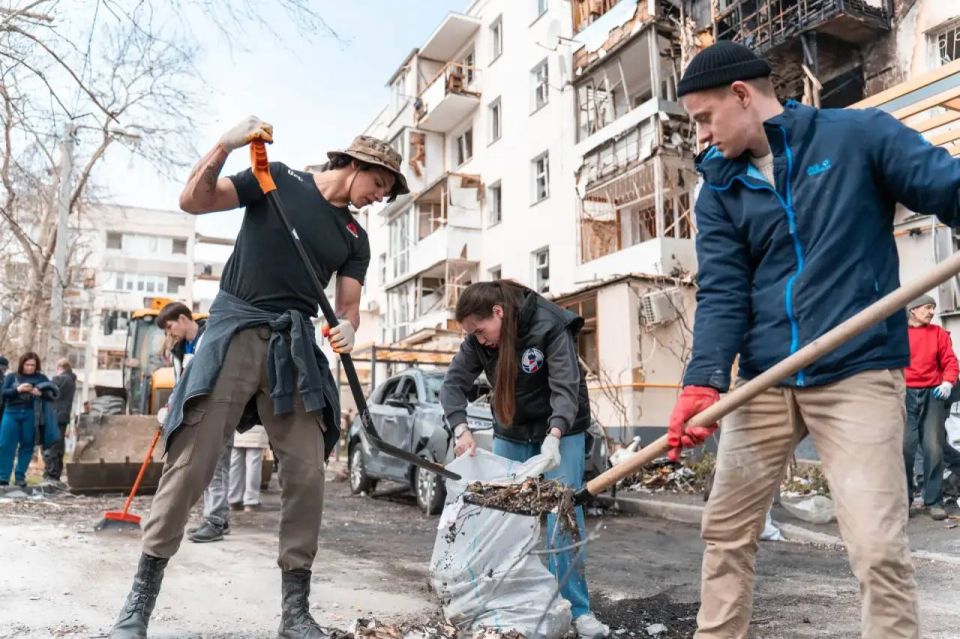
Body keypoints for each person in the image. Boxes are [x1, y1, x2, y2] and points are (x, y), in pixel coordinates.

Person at [668, 40, 960, 639]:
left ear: (743, 96)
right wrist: (701, 382)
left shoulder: (856, 137)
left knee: (878, 547)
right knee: (725, 534)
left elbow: (946, 185)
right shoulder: (719, 188)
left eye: (703, 118)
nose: (700, 135)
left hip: (856, 370)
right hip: (767, 379)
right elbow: (724, 292)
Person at [107, 117, 405, 639]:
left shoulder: (355, 236)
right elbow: (193, 201)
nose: (380, 197)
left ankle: (295, 613)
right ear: (357, 165)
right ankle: (138, 604)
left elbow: (348, 307)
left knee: (309, 472)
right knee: (192, 464)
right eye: (380, 185)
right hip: (235, 328)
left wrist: (349, 330)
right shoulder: (276, 181)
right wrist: (225, 145)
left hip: (293, 346)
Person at [440, 280, 609, 639]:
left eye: (482, 330)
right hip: (512, 430)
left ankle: (578, 610)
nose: (480, 339)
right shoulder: (478, 340)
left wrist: (554, 437)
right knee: (506, 516)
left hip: (562, 429)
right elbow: (453, 385)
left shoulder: (549, 324)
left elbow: (566, 386)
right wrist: (459, 428)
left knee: (563, 514)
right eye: (474, 334)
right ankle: (512, 605)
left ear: (499, 312)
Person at [156, 301, 230, 543]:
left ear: (183, 319)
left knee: (216, 466)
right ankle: (217, 518)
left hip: (218, 408)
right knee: (204, 466)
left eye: (170, 327)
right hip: (194, 412)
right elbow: (180, 383)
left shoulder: (211, 337)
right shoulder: (179, 350)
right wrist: (170, 407)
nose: (170, 333)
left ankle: (216, 521)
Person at [903, 294, 958, 520]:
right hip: (905, 393)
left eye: (934, 308)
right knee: (904, 448)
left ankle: (933, 500)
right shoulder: (899, 335)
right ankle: (903, 501)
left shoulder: (938, 334)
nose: (932, 312)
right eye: (927, 307)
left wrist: (947, 382)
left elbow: (950, 361)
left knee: (934, 447)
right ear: (913, 310)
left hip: (933, 393)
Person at [0, 353, 60, 489]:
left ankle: (20, 476)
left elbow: (53, 394)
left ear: (36, 365)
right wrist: (17, 389)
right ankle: (3, 477)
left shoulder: (41, 378)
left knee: (27, 446)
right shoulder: (11, 377)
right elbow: (3, 393)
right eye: (27, 365)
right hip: (11, 413)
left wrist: (41, 393)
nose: (30, 367)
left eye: (33, 365)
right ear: (22, 364)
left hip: (31, 414)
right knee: (5, 445)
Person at [43, 358, 77, 483]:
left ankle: (51, 475)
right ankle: (55, 474)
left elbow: (47, 391)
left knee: (51, 446)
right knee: (58, 446)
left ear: (60, 367)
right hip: (62, 417)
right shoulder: (71, 380)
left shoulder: (61, 379)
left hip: (54, 416)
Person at [229, 424, 268, 511]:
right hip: (257, 424)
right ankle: (251, 501)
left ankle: (233, 499)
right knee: (253, 464)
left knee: (235, 463)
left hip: (237, 425)